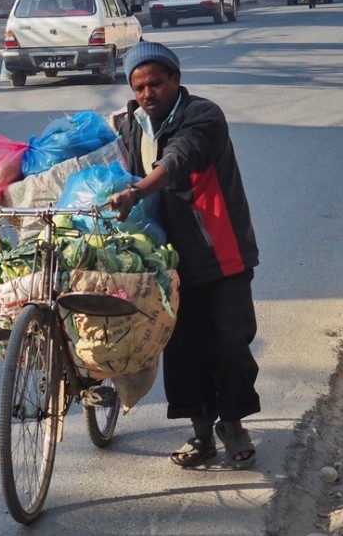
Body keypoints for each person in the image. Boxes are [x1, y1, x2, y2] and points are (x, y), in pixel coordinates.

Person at [108, 42, 261, 470]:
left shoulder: (203, 115)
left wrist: (137, 190)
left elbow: (181, 158)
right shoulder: (130, 125)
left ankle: (232, 424)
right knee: (183, 348)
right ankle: (200, 433)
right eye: (139, 87)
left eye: (156, 83)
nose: (147, 94)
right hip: (168, 260)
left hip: (221, 250)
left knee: (231, 340)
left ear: (176, 79)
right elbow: (110, 164)